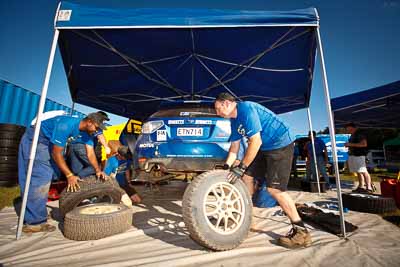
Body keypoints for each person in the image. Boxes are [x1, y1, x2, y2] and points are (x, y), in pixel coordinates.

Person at [214, 92, 311, 249]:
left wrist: (242, 166)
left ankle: (302, 233)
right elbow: (234, 146)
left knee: (275, 189)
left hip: (281, 143)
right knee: (246, 177)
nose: (217, 113)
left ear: (226, 103)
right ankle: (246, 217)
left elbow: (255, 141)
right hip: (264, 147)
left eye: (217, 109)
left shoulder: (246, 108)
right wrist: (226, 167)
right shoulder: (233, 120)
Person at [18, 112, 108, 233]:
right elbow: (56, 153)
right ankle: (34, 222)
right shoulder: (66, 125)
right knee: (41, 177)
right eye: (97, 127)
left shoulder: (87, 133)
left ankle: (36, 213)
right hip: (36, 138)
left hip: (49, 141)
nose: (97, 131)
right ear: (89, 122)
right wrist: (70, 175)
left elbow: (90, 153)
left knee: (52, 174)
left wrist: (98, 170)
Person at [67, 111, 111, 178]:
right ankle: (78, 177)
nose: (103, 122)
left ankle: (75, 179)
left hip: (72, 145)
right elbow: (100, 135)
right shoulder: (95, 125)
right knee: (95, 167)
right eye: (103, 120)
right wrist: (106, 147)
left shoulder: (84, 121)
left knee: (77, 170)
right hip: (82, 147)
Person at [344, 123, 372, 193]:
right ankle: (361, 186)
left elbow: (364, 144)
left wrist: (350, 144)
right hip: (354, 155)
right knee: (358, 171)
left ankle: (369, 187)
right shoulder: (353, 135)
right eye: (347, 130)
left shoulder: (359, 134)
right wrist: (349, 146)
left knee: (363, 171)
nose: (348, 131)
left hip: (359, 155)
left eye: (349, 129)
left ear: (353, 128)